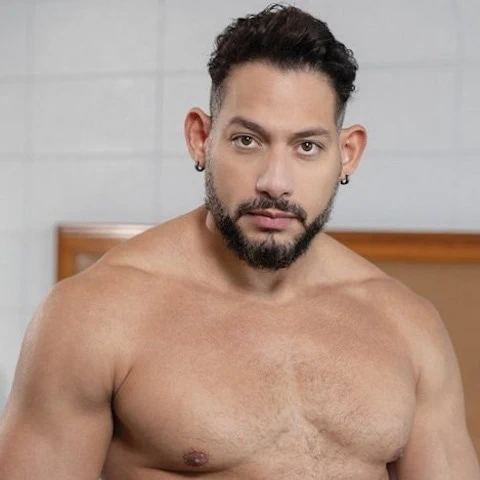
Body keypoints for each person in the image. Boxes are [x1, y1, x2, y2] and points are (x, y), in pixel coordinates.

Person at [0, 4, 479, 479]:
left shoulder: (407, 325)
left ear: (347, 154)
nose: (275, 182)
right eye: (248, 140)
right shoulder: (95, 315)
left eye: (307, 147)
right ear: (200, 138)